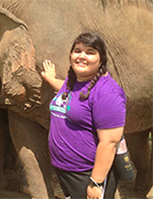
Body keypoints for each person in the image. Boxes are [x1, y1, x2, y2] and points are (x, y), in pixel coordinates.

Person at [42, 32, 126, 199]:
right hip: (65, 170)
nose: (82, 56)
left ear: (101, 59)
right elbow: (69, 92)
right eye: (77, 50)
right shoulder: (75, 82)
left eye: (90, 52)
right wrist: (51, 79)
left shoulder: (107, 93)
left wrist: (96, 183)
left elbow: (109, 142)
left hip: (86, 173)